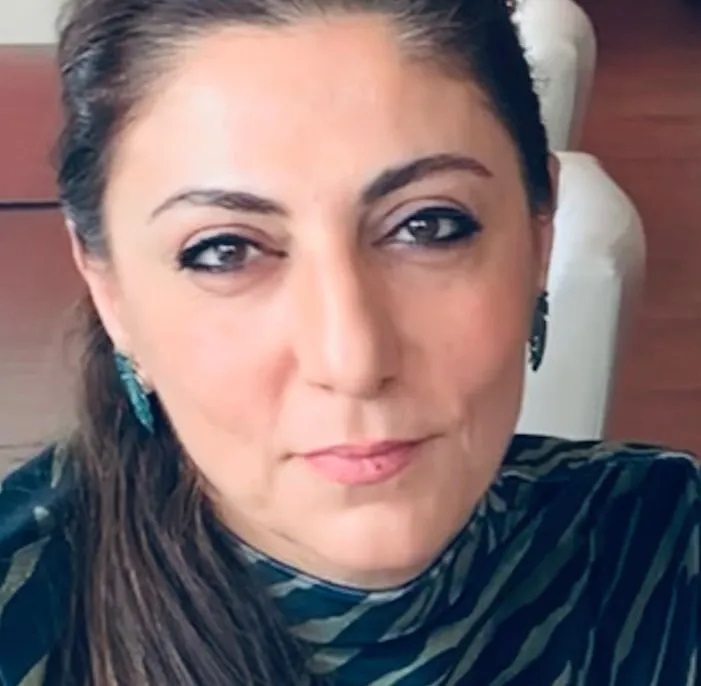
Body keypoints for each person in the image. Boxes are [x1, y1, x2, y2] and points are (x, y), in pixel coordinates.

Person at [0, 0, 698, 684]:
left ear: (538, 236)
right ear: (111, 291)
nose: (353, 360)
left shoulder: (662, 551)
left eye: (427, 226)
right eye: (224, 250)